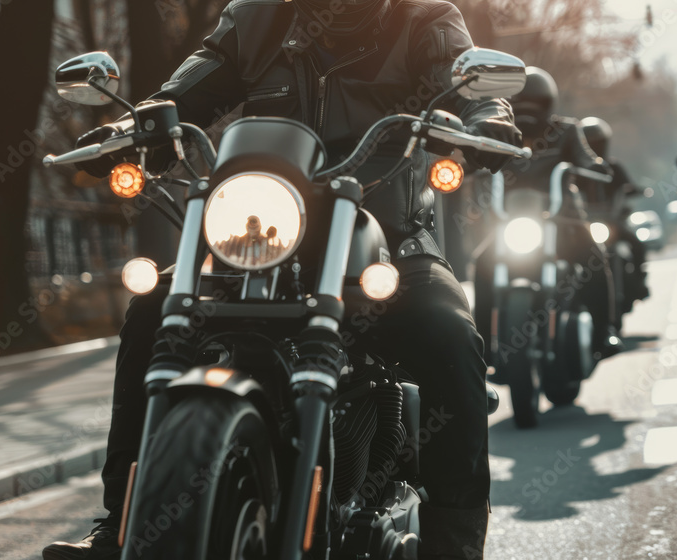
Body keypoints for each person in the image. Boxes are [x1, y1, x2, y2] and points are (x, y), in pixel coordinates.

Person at [42, 1, 520, 559]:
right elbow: (186, 90)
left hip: (386, 237)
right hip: (263, 234)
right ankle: (121, 525)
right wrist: (133, 125)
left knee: (450, 335)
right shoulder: (257, 18)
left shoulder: (422, 18)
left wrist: (488, 112)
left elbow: (462, 72)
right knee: (152, 312)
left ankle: (454, 545)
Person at [473, 67, 622, 366]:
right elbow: (476, 155)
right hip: (513, 222)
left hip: (563, 220)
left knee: (595, 256)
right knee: (482, 264)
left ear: (548, 104)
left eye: (535, 104)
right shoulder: (499, 133)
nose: (528, 111)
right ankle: (482, 346)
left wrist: (595, 166)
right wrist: (462, 167)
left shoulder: (567, 130)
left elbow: (584, 157)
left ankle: (605, 331)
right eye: (521, 103)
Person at [579, 116, 650, 307]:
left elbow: (628, 184)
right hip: (586, 225)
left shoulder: (614, 167)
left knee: (638, 245)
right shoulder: (577, 170)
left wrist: (634, 189)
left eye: (597, 142)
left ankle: (639, 281)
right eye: (589, 142)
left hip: (611, 222)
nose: (594, 146)